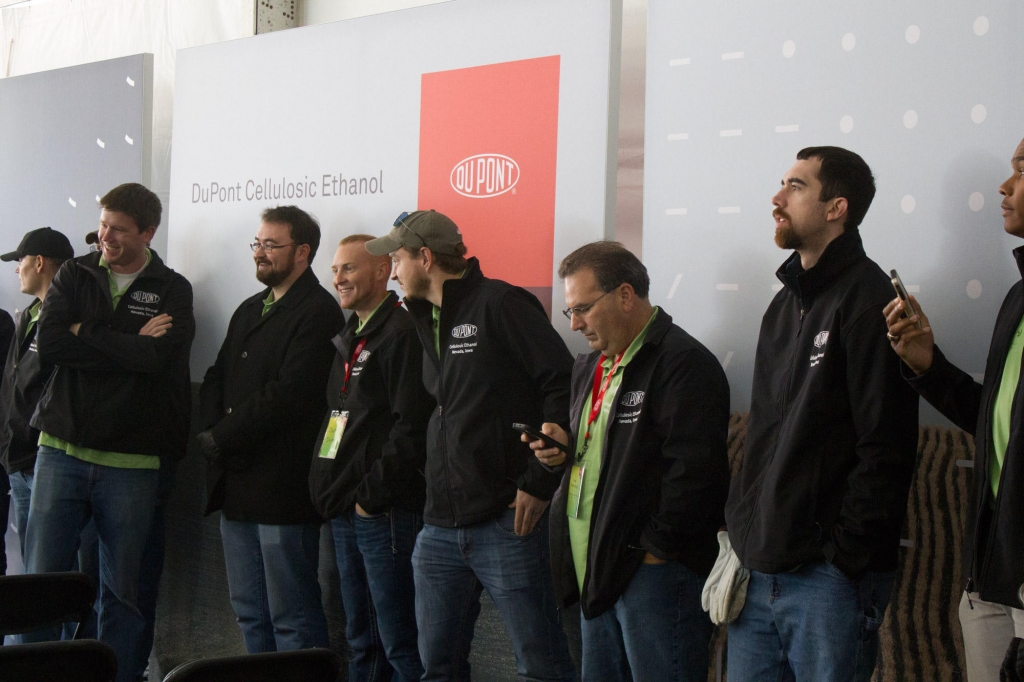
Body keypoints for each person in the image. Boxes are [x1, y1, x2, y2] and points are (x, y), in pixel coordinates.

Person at [724, 147, 919, 681]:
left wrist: (843, 555)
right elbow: (766, 435)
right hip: (759, 567)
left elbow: (887, 444)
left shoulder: (870, 298)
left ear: (837, 207)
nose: (776, 198)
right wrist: (743, 530)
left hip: (828, 579)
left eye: (795, 186)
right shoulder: (782, 306)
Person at [365, 210, 577, 680]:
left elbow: (562, 385)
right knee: (437, 669)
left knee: (540, 666)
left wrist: (540, 482)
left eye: (398, 260)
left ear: (425, 257)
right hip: (437, 526)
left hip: (507, 521)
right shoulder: (423, 316)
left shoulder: (501, 303)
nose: (393, 273)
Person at [524, 241, 730, 680]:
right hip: (595, 574)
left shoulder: (683, 363)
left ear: (624, 295)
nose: (575, 323)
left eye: (583, 309)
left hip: (651, 576)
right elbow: (603, 455)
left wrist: (653, 554)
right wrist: (562, 448)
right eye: (570, 312)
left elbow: (696, 476)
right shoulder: (592, 366)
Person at [23, 183, 195, 682]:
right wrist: (126, 344)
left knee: (122, 592)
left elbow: (157, 359)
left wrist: (88, 335)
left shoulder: (172, 287)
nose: (106, 237)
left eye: (118, 229)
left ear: (148, 232)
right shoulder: (76, 272)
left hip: (132, 464)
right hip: (60, 450)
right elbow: (51, 342)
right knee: (40, 583)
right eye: (103, 225)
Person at [884, 136, 1024, 681]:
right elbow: (992, 421)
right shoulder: (1016, 298)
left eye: (1021, 170)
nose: (1003, 187)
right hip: (990, 579)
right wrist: (927, 364)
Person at [198, 205, 342, 654]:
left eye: (270, 245)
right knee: (249, 612)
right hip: (236, 486)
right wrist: (210, 429)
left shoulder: (318, 311)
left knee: (291, 616)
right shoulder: (248, 308)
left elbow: (290, 393)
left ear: (302, 252)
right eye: (257, 243)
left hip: (284, 490)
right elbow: (217, 376)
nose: (260, 253)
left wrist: (222, 436)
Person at [309, 234, 433, 681]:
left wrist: (370, 497)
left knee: (399, 639)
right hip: (346, 507)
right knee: (361, 637)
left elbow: (411, 425)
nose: (338, 277)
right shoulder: (350, 334)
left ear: (383, 270)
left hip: (383, 510)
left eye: (349, 268)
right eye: (336, 269)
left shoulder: (401, 332)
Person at [0, 227, 73, 574]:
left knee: (52, 575)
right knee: (32, 573)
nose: (16, 269)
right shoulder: (27, 316)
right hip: (18, 462)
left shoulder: (70, 319)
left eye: (20, 261)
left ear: (39, 262)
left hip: (46, 462)